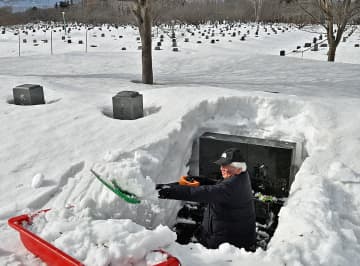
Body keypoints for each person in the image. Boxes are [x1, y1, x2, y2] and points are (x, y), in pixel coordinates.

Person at [158, 147, 256, 251]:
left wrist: (165, 191)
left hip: (228, 246)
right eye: (222, 165)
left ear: (239, 169)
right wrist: (199, 181)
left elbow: (201, 193)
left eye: (226, 166)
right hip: (228, 235)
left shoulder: (231, 187)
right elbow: (217, 185)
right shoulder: (240, 177)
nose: (221, 168)